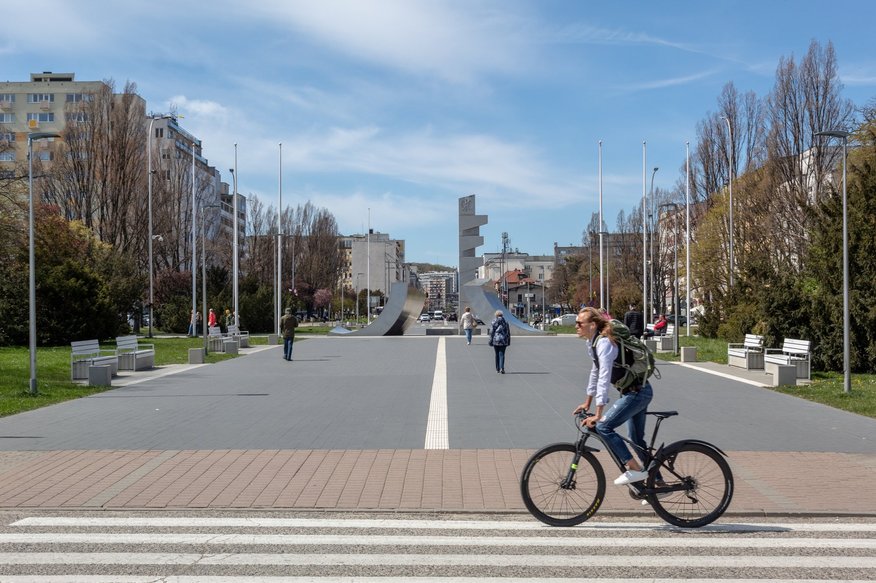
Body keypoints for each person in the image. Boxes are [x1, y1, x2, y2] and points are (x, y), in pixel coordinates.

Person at [572, 307, 653, 486]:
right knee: (636, 440)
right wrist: (587, 402)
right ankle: (658, 483)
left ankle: (634, 469)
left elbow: (604, 376)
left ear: (592, 325)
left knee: (604, 427)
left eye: (579, 323)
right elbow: (595, 372)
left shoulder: (604, 343)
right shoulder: (593, 343)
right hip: (634, 391)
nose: (576, 326)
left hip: (637, 393)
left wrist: (599, 413)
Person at [487, 309, 511, 374]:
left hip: (496, 340)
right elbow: (508, 332)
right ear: (502, 315)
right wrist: (509, 341)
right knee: (502, 354)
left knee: (497, 354)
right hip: (504, 340)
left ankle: (497, 369)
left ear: (496, 315)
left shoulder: (494, 322)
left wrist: (490, 340)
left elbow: (491, 332)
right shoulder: (506, 322)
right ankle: (502, 368)